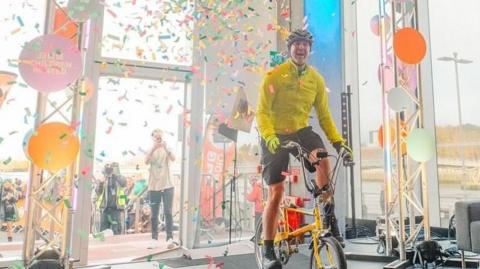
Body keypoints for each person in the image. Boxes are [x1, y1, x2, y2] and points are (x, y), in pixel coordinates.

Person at [256, 29, 353, 269]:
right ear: (290, 48)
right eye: (296, 44)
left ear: (309, 49)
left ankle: (328, 217)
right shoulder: (274, 75)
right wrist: (268, 136)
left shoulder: (316, 80)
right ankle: (268, 249)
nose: (301, 48)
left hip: (300, 130)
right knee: (276, 192)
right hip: (274, 135)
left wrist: (338, 142)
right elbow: (262, 112)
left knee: (323, 159)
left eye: (305, 45)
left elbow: (324, 116)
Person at [145, 129, 176, 249]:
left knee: (168, 212)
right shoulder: (150, 149)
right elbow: (146, 161)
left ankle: (170, 238)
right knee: (154, 214)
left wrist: (165, 147)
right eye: (156, 137)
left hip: (168, 185)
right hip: (154, 186)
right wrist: (154, 148)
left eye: (160, 137)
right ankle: (154, 238)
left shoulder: (168, 148)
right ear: (152, 138)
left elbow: (173, 158)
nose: (159, 139)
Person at [95, 162, 127, 235]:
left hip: (116, 209)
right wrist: (101, 183)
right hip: (105, 209)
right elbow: (98, 192)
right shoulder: (103, 178)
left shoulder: (119, 178)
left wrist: (115, 174)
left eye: (113, 168)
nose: (111, 170)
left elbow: (124, 183)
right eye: (109, 168)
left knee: (116, 231)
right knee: (103, 231)